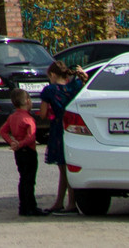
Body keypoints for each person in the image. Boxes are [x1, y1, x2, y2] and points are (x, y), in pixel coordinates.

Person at [39, 62, 80, 213]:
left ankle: (70, 202)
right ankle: (62, 201)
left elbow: (42, 114)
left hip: (58, 128)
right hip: (73, 126)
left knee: (63, 169)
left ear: (53, 75)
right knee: (68, 167)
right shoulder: (74, 86)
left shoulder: (49, 90)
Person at [3, 83, 42, 215]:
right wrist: (21, 144)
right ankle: (31, 206)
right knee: (30, 180)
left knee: (23, 178)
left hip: (19, 152)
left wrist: (12, 142)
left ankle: (23, 206)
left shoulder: (12, 117)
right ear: (27, 101)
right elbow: (31, 137)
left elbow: (2, 131)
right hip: (29, 151)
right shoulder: (28, 119)